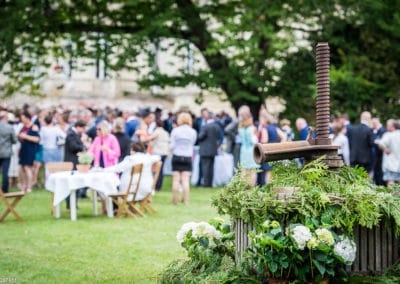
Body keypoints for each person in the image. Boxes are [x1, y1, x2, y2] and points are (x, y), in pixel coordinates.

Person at [170, 112, 197, 205]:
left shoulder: (175, 131)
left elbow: (172, 145)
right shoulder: (193, 131)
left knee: (176, 179)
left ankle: (175, 200)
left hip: (177, 156)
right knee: (185, 180)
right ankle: (186, 200)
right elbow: (193, 143)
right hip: (187, 157)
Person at [17, 110, 40, 193]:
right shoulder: (23, 127)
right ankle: (24, 185)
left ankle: (29, 187)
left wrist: (25, 136)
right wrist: (19, 137)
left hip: (30, 149)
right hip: (23, 148)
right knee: (21, 168)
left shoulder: (34, 127)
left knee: (28, 168)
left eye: (23, 118)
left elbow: (37, 139)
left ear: (27, 118)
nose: (22, 119)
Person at [197, 112, 222, 187]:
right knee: (211, 167)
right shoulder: (217, 126)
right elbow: (219, 137)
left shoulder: (205, 126)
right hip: (213, 149)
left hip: (205, 150)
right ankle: (210, 183)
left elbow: (200, 137)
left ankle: (206, 183)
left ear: (207, 117)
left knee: (205, 167)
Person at [238, 105, 259, 186]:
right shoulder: (253, 128)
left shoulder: (240, 128)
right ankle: (251, 188)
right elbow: (254, 141)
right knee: (252, 171)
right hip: (251, 150)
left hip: (243, 150)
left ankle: (243, 188)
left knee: (244, 170)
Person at [378, 119, 400, 188]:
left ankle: (392, 198)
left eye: (388, 126)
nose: (386, 127)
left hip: (390, 164)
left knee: (391, 183)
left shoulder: (388, 135)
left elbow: (381, 143)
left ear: (392, 126)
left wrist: (385, 149)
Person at [150, 118, 170, 191]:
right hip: (164, 152)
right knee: (161, 170)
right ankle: (159, 186)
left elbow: (150, 139)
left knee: (157, 170)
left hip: (158, 152)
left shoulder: (157, 132)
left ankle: (156, 185)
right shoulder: (165, 132)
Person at [0, 110, 17, 193]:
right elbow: (14, 140)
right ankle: (5, 190)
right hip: (6, 153)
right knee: (5, 172)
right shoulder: (9, 127)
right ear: (5, 118)